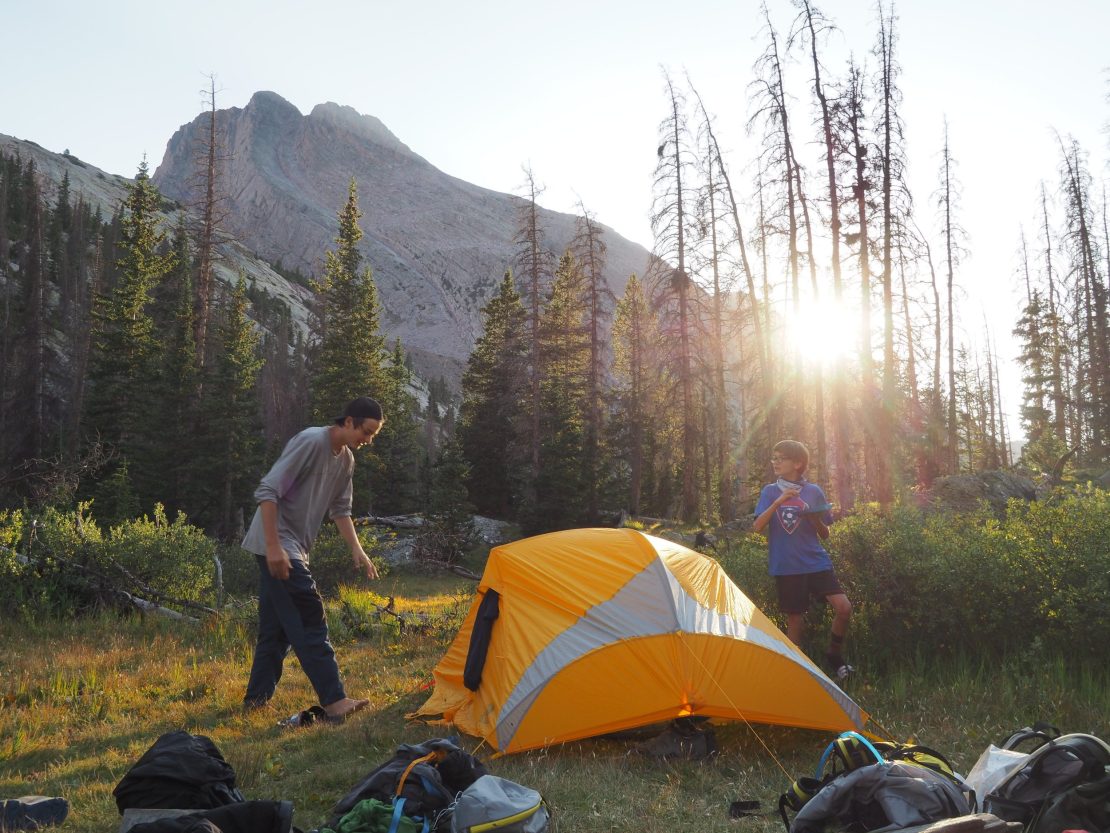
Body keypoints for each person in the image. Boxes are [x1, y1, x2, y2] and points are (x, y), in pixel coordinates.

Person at [241, 396, 384, 720]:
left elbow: (341, 510)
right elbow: (268, 492)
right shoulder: (310, 442)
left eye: (373, 434)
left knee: (275, 631)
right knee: (310, 616)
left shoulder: (345, 460)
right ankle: (334, 701)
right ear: (348, 421)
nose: (368, 440)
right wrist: (274, 547)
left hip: (291, 548)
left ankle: (255, 702)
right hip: (277, 545)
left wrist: (357, 549)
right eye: (366, 431)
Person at [752, 439, 853, 680]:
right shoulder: (769, 492)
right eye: (773, 458)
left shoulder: (813, 491)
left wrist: (814, 519)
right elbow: (756, 527)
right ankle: (793, 675)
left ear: (797, 463)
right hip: (787, 566)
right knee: (795, 620)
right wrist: (779, 500)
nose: (775, 462)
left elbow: (825, 533)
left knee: (844, 608)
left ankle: (834, 655)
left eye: (781, 458)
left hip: (816, 562)